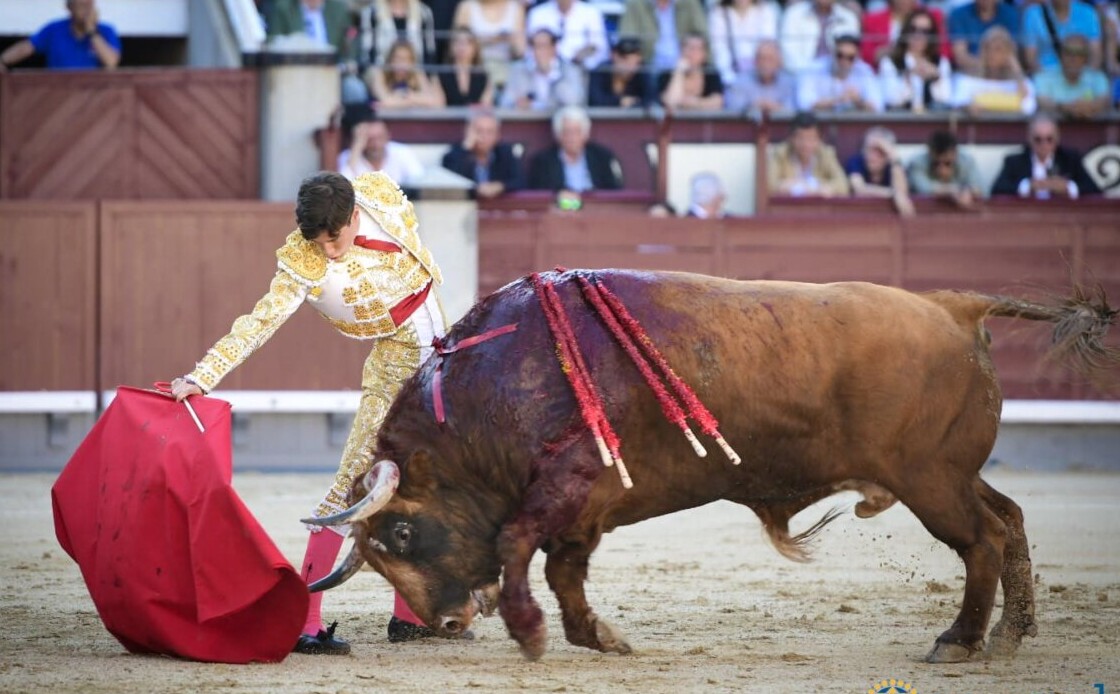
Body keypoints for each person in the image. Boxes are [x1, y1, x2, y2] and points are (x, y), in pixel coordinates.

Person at [169, 171, 448, 654]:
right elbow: (260, 322)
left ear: (354, 215)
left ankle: (411, 617)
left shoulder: (378, 195)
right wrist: (203, 376)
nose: (329, 252)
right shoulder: (303, 263)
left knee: (427, 488)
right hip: (396, 371)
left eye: (334, 239)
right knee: (350, 489)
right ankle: (304, 621)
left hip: (444, 357)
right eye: (318, 243)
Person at [991, 112, 1101, 199]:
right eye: (1038, 139)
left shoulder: (1070, 159)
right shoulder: (1015, 161)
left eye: (1049, 139)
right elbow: (997, 191)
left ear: (1057, 139)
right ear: (1029, 139)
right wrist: (1027, 186)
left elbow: (1095, 191)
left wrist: (1068, 187)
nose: (1044, 145)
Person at [0, 0, 121, 71]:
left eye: (89, 6)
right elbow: (27, 47)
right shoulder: (54, 29)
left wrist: (91, 32)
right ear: (69, 7)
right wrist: (3, 61)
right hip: (59, 93)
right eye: (81, 6)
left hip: (93, 96)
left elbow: (111, 62)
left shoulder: (106, 31)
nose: (86, 11)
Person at [528, 106, 623, 193]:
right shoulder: (543, 162)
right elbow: (539, 194)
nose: (572, 138)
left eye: (577, 132)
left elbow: (614, 191)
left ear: (586, 134)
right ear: (557, 135)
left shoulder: (602, 157)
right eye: (566, 132)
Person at [878, 9, 952, 111]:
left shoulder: (941, 62)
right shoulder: (890, 62)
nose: (918, 36)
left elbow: (946, 99)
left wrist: (936, 79)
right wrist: (908, 78)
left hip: (932, 119)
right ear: (905, 31)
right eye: (913, 30)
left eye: (925, 32)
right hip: (901, 119)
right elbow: (891, 100)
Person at [951, 26, 1037, 115]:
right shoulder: (968, 79)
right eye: (987, 48)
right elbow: (957, 102)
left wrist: (1015, 68)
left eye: (998, 49)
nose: (991, 54)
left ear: (1008, 53)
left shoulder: (1020, 83)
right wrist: (967, 107)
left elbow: (1027, 105)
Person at [441, 111, 525, 198]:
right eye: (479, 131)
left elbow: (519, 181)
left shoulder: (505, 153)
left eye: (490, 132)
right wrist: (465, 149)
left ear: (498, 135)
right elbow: (449, 182)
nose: (484, 136)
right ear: (469, 132)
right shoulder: (455, 154)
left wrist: (499, 186)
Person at [499, 29, 587, 111]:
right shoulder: (519, 70)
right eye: (535, 46)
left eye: (543, 46)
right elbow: (505, 103)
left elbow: (575, 101)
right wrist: (517, 103)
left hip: (559, 119)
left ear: (554, 48)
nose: (539, 51)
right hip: (529, 119)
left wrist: (552, 75)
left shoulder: (570, 70)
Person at [767, 111, 849, 197]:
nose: (805, 144)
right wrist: (794, 185)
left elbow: (843, 185)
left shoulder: (826, 153)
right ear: (791, 138)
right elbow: (769, 186)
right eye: (801, 138)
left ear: (818, 139)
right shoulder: (780, 153)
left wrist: (817, 187)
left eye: (810, 138)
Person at [797, 34, 885, 112]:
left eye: (850, 58)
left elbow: (878, 106)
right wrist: (838, 100)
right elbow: (804, 104)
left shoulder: (863, 71)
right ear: (832, 53)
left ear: (857, 57)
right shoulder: (815, 68)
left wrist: (858, 101)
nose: (844, 61)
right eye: (840, 56)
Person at [451, 0, 526, 91]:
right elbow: (457, 44)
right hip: (475, 73)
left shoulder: (516, 8)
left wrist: (511, 40)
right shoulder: (466, 7)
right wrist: (495, 40)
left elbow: (521, 51)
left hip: (507, 72)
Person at [618, 0, 710, 73]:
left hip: (686, 65)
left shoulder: (690, 3)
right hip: (648, 65)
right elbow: (627, 39)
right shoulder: (635, 4)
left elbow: (703, 36)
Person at [1034, 33, 1111, 118]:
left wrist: (1090, 107)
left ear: (1086, 58)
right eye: (1069, 52)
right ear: (1061, 55)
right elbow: (1042, 101)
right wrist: (1064, 108)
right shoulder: (1044, 77)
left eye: (1079, 53)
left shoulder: (1098, 78)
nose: (1074, 58)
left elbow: (1104, 101)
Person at [844, 126, 916, 217]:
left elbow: (902, 195)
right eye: (868, 149)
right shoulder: (856, 162)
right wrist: (892, 193)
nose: (872, 156)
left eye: (879, 151)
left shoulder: (893, 166)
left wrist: (894, 159)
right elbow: (859, 189)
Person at [708, 0, 781, 86]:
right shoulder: (718, 13)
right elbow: (719, 50)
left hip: (761, 76)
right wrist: (730, 78)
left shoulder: (766, 10)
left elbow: (768, 47)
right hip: (731, 77)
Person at [907, 129, 985, 209]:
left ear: (955, 154)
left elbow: (978, 187)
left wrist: (969, 191)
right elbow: (922, 188)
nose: (941, 170)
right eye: (936, 163)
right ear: (929, 153)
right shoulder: (918, 163)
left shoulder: (966, 161)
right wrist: (953, 190)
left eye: (947, 163)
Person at [778, 0, 861, 74]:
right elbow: (789, 55)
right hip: (800, 76)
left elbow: (851, 54)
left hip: (839, 77)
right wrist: (811, 75)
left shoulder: (849, 18)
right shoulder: (793, 14)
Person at [1021, 0, 1102, 74]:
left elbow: (1095, 55)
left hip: (1081, 77)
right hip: (1046, 76)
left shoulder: (1088, 13)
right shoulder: (1033, 14)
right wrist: (1045, 80)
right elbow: (1031, 59)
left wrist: (1087, 78)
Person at [860, 0, 949, 67]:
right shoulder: (872, 20)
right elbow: (865, 54)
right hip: (885, 74)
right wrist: (880, 54)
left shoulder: (933, 17)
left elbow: (944, 51)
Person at [527, 0, 611, 70]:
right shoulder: (537, 13)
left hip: (581, 70)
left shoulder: (591, 13)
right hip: (542, 71)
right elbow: (528, 50)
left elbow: (600, 49)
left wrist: (580, 58)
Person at [338, 118, 425, 185]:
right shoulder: (348, 156)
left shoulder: (402, 152)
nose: (376, 144)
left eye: (380, 138)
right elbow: (344, 185)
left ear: (388, 136)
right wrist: (357, 147)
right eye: (370, 139)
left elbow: (418, 180)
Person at [352, 0, 437, 68]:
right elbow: (366, 53)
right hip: (382, 71)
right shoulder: (371, 13)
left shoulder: (424, 13)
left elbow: (430, 51)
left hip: (416, 72)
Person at [947, 0, 1019, 76]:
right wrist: (987, 67)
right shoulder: (958, 15)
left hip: (1004, 75)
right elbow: (961, 56)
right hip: (969, 75)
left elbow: (1012, 54)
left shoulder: (1011, 14)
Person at [725, 39, 797, 114]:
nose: (765, 64)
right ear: (755, 61)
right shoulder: (740, 82)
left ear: (779, 62)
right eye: (762, 58)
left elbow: (793, 111)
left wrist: (774, 108)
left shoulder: (789, 82)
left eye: (770, 59)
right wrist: (754, 108)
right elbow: (734, 111)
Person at [368, 39, 444, 109]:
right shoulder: (380, 74)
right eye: (398, 58)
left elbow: (435, 102)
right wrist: (415, 101)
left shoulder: (417, 73)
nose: (402, 63)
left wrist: (408, 96)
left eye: (407, 59)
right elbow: (385, 100)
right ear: (390, 59)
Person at [659, 33, 726, 110]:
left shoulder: (710, 72)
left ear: (704, 54)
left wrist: (691, 102)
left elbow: (718, 102)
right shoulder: (667, 73)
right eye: (688, 47)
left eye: (697, 48)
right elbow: (671, 102)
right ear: (681, 50)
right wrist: (679, 73)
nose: (692, 53)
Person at [587, 36, 655, 108]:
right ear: (614, 56)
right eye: (624, 59)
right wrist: (619, 101)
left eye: (635, 62)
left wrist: (633, 104)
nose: (629, 67)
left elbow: (651, 100)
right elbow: (595, 99)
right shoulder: (601, 71)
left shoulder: (643, 72)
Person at [433, 27, 494, 107]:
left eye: (468, 43)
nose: (462, 46)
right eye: (458, 42)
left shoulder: (483, 76)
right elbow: (439, 105)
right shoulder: (441, 75)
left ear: (475, 48)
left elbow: (485, 105)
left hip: (476, 115)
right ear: (451, 47)